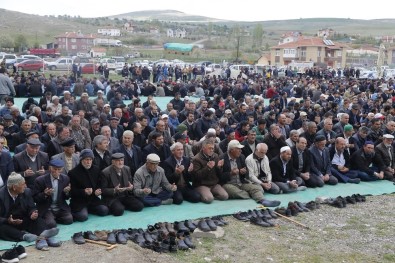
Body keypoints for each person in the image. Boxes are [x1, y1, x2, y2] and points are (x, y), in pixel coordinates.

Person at [0, 172, 60, 249]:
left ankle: (44, 234)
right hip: (8, 222)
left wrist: (32, 213)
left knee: (37, 220)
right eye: (23, 184)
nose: (25, 186)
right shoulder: (1, 196)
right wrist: (8, 221)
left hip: (23, 219)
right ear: (14, 187)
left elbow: (32, 207)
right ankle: (24, 236)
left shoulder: (26, 191)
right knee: (2, 229)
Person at [222, 140, 281, 206]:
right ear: (232, 150)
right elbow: (220, 176)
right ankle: (253, 195)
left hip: (241, 182)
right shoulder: (222, 158)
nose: (240, 151)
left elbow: (247, 174)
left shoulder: (241, 157)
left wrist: (243, 172)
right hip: (229, 183)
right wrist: (231, 173)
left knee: (257, 188)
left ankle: (263, 201)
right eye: (238, 149)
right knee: (235, 192)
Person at [68, 149, 109, 222]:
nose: (88, 162)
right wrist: (83, 191)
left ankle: (88, 209)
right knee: (83, 217)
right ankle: (83, 210)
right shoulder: (73, 173)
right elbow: (72, 192)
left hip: (93, 199)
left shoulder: (96, 169)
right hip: (79, 201)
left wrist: (98, 190)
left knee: (104, 210)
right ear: (81, 160)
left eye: (90, 159)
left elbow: (101, 183)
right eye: (86, 159)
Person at [32, 159, 73, 228]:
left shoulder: (65, 178)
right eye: (54, 169)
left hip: (60, 207)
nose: (56, 171)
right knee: (51, 224)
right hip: (47, 208)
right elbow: (35, 198)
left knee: (69, 220)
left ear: (62, 169)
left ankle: (52, 218)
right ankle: (50, 218)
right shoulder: (40, 180)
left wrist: (67, 192)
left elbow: (67, 197)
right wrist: (45, 194)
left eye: (59, 169)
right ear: (50, 168)